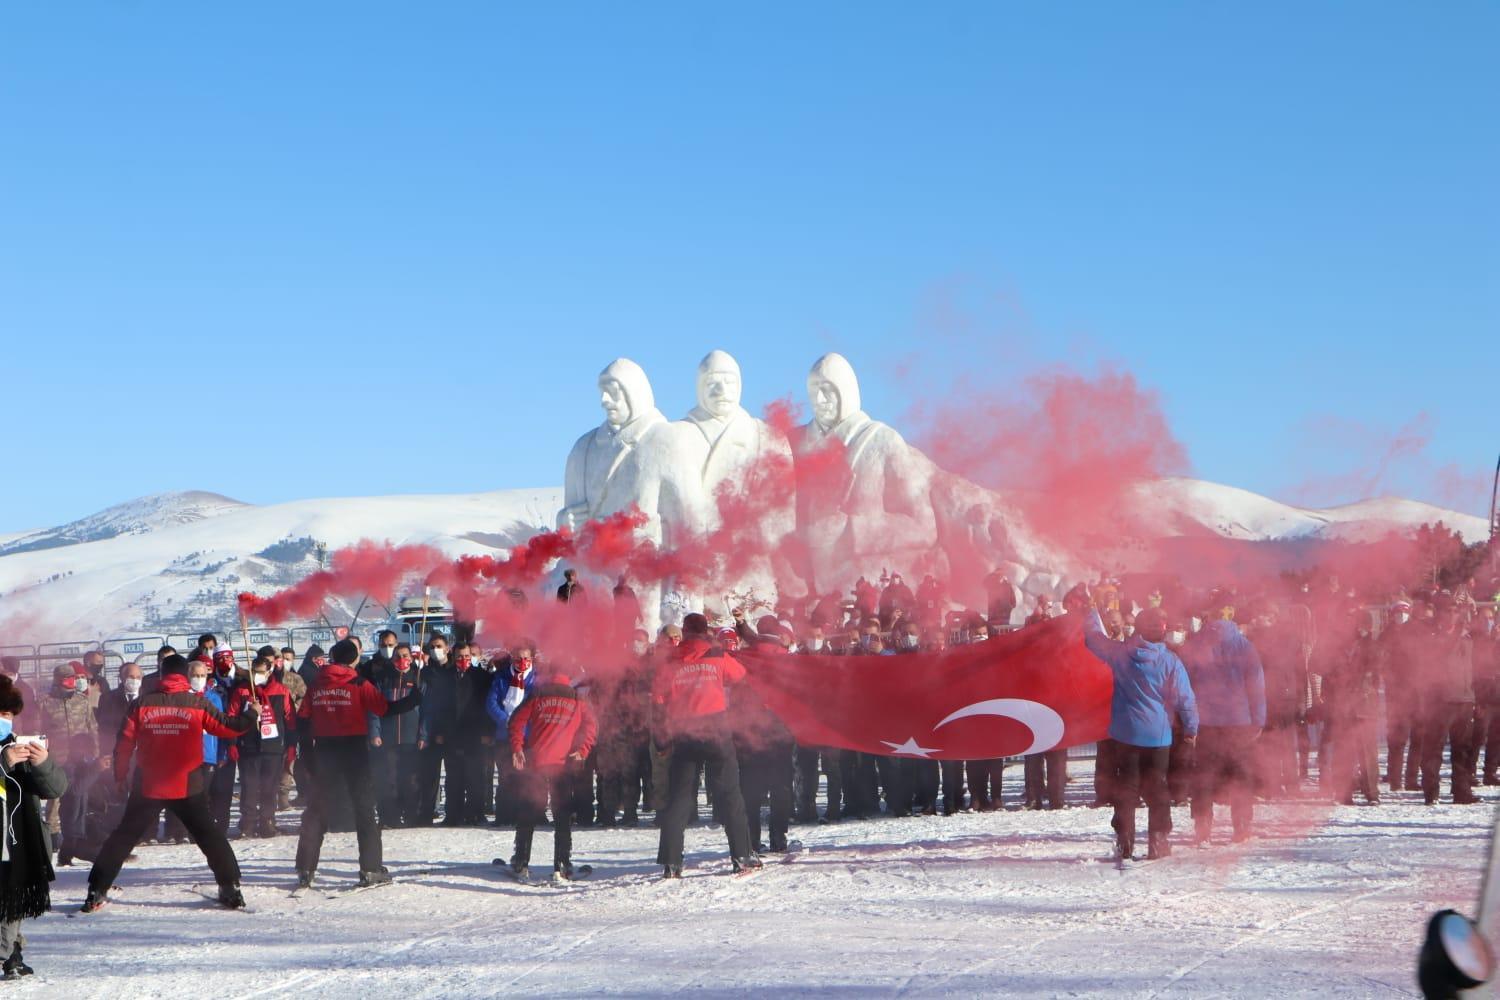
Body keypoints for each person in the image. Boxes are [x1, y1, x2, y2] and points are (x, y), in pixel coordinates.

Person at [82, 654, 257, 912]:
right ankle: (231, 887)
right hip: (187, 784)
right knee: (210, 837)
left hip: (149, 784)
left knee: (123, 837)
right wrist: (252, 713)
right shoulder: (196, 703)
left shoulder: (141, 704)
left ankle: (96, 890)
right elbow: (229, 727)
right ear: (185, 675)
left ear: (161, 674)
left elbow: (123, 746)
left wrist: (120, 778)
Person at [294, 638, 422, 889]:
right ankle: (370, 867)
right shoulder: (358, 682)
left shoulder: (317, 682)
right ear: (353, 659)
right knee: (364, 809)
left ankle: (305, 867)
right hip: (353, 749)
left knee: (317, 808)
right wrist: (412, 700)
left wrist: (308, 754)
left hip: (324, 750)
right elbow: (384, 709)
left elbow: (302, 719)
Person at [1082, 603, 1198, 860]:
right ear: (1162, 631)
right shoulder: (1170, 661)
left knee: (1127, 789)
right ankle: (1158, 840)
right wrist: (1191, 728)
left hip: (1125, 733)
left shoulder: (1121, 654)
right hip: (1158, 736)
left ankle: (1125, 841)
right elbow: (1185, 699)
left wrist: (1091, 613)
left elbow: (1094, 640)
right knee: (1158, 789)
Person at [653, 613, 756, 877]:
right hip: (716, 728)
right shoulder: (717, 654)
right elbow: (741, 676)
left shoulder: (670, 661)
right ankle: (742, 856)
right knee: (730, 793)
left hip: (684, 729)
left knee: (679, 798)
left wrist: (661, 739)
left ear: (685, 633)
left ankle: (671, 862)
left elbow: (658, 700)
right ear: (705, 631)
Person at [1180, 598, 1266, 844]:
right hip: (1239, 722)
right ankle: (1241, 826)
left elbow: (1184, 686)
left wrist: (1187, 720)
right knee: (1240, 775)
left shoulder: (1195, 645)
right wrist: (1258, 719)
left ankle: (1203, 827)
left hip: (1205, 722)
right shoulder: (1244, 645)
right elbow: (1256, 685)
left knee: (1204, 776)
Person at [0, 673, 67, 979]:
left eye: (9, 715)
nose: (5, 721)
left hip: (17, 841)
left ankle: (12, 951)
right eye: (0, 714)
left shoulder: (20, 746)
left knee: (13, 900)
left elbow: (56, 788)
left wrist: (42, 763)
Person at [504, 669, 597, 881]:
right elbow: (592, 727)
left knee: (528, 811)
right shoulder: (577, 698)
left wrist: (517, 748)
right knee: (562, 814)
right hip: (562, 764)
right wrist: (582, 750)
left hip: (535, 762)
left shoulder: (538, 694)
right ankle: (561, 865)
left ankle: (521, 862)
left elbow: (515, 722)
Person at [419, 645, 493, 827]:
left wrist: (487, 732)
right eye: (460, 656)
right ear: (453, 656)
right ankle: (453, 814)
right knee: (454, 777)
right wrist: (439, 732)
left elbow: (488, 706)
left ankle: (476, 813)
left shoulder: (481, 677)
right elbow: (438, 708)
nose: (464, 660)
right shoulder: (446, 677)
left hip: (475, 734)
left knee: (476, 776)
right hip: (452, 734)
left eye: (467, 656)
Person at [226, 655, 296, 838]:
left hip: (273, 746)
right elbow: (231, 716)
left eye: (261, 672)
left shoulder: (281, 690)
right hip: (248, 746)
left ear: (270, 671)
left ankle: (268, 821)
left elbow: (290, 719)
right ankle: (247, 823)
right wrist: (232, 742)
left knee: (269, 787)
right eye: (254, 672)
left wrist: (291, 744)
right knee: (249, 786)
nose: (258, 675)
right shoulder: (242, 691)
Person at [1418, 597, 1478, 806]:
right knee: (1434, 749)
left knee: (1462, 749)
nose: (1453, 615)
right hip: (1440, 700)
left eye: (1455, 611)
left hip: (1464, 700)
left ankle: (1462, 791)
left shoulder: (1466, 637)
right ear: (1440, 614)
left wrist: (1473, 696)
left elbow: (1472, 668)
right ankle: (1431, 791)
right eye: (1448, 611)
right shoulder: (1433, 637)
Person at [38, 664, 98, 841]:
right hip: (56, 756)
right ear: (57, 680)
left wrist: (96, 750)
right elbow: (37, 730)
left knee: (81, 794)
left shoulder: (82, 700)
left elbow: (92, 727)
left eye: (74, 677)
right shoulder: (45, 702)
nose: (72, 681)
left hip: (80, 757)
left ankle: (77, 833)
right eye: (67, 677)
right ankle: (53, 834)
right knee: (55, 797)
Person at [368, 643, 424, 828]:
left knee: (410, 780)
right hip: (388, 737)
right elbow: (374, 708)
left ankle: (411, 816)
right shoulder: (383, 679)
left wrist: (423, 735)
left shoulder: (418, 678)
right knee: (389, 779)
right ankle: (389, 817)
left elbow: (426, 711)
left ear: (412, 657)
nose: (402, 659)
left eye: (405, 655)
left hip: (411, 738)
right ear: (392, 659)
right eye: (398, 656)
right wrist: (375, 732)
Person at [484, 642, 537, 825]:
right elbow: (492, 704)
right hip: (504, 735)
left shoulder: (538, 679)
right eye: (518, 658)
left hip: (529, 737)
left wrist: (524, 724)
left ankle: (530, 815)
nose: (522, 662)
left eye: (526, 658)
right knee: (506, 777)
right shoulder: (501, 678)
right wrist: (507, 721)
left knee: (530, 778)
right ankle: (504, 814)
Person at [96, 661, 144, 745]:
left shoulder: (148, 698)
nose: (135, 680)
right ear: (122, 677)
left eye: (138, 677)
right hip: (117, 748)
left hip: (141, 748)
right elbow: (104, 727)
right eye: (131, 677)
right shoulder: (107, 698)